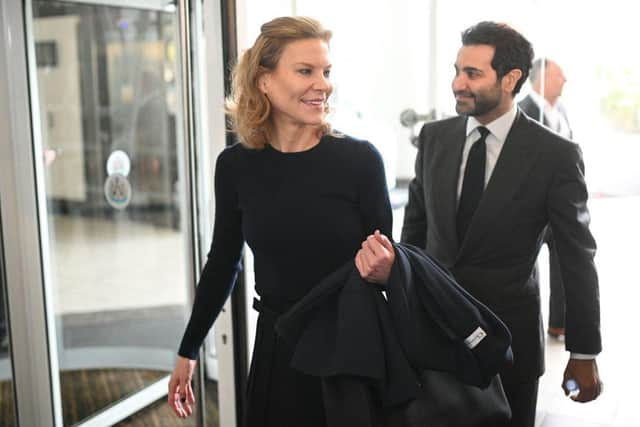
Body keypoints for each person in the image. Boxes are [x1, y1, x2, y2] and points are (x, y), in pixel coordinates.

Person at [359, 21, 602, 427]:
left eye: (472, 73)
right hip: (431, 337)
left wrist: (583, 352)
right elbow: (414, 237)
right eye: (456, 70)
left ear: (510, 79)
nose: (458, 83)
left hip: (508, 345)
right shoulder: (434, 138)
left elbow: (577, 257)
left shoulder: (554, 155)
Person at [167, 16, 393, 426]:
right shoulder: (236, 166)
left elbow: (389, 268)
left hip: (350, 347)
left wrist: (387, 268)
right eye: (305, 71)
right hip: (278, 345)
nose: (322, 83)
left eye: (326, 72)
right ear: (264, 81)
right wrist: (189, 349)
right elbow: (223, 262)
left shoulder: (360, 161)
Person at [519, 58, 572, 340]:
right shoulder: (522, 111)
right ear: (541, 79)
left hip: (560, 207)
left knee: (565, 263)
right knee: (527, 268)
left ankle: (559, 323)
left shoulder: (561, 110)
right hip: (531, 207)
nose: (565, 79)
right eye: (559, 74)